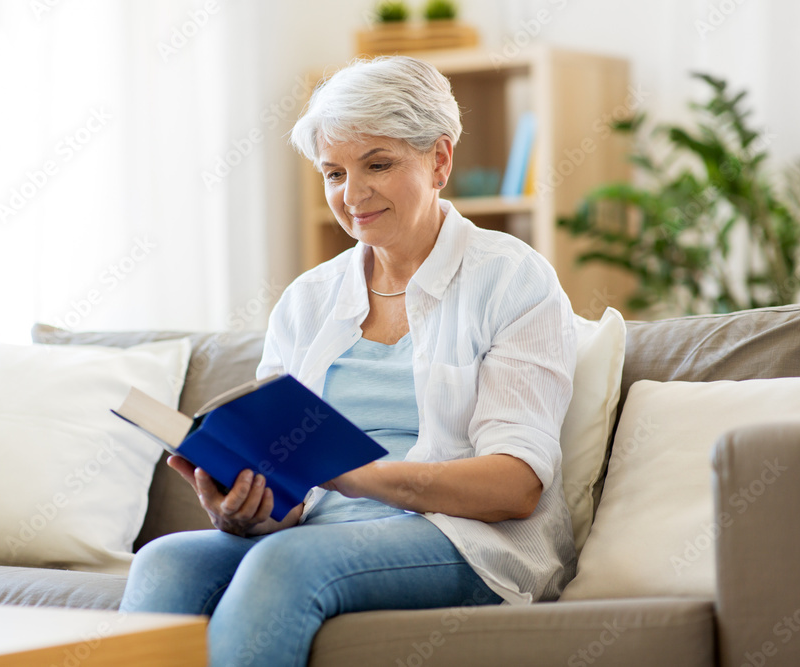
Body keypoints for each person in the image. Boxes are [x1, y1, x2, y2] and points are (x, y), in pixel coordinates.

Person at [120, 55, 577, 666]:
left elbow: (515, 487)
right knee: (165, 561)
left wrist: (354, 475)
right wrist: (248, 510)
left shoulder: (512, 279)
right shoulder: (307, 301)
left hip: (466, 540)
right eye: (334, 173)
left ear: (439, 160)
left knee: (285, 564)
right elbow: (289, 497)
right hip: (319, 534)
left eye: (378, 164)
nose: (352, 195)